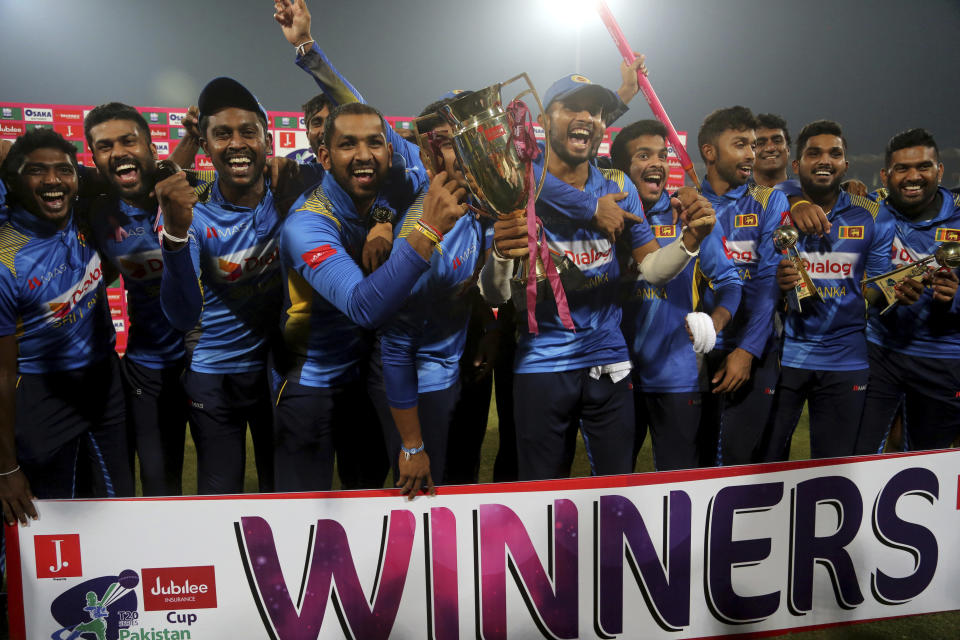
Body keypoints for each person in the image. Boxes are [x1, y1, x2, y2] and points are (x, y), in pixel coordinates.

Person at [479, 74, 715, 480]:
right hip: (542, 361)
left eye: (597, 110)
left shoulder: (619, 184)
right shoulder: (515, 185)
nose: (586, 116)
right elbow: (495, 294)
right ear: (543, 117)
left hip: (609, 358)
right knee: (541, 488)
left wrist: (691, 240)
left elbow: (653, 268)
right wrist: (501, 253)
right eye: (573, 106)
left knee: (616, 488)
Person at [279, 102, 469, 496]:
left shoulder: (391, 187)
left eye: (374, 143)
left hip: (365, 376)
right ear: (325, 157)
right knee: (302, 508)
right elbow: (365, 307)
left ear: (389, 151)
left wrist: (384, 218)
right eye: (348, 145)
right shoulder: (307, 223)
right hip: (312, 382)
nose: (364, 155)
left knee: (367, 498)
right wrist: (428, 229)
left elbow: (424, 180)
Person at [157, 77, 323, 494]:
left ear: (267, 142)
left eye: (248, 132)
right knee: (220, 491)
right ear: (206, 145)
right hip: (215, 376)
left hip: (276, 371)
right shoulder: (191, 210)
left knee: (282, 490)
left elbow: (364, 163)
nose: (236, 143)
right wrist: (175, 238)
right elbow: (181, 315)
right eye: (222, 134)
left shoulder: (291, 190)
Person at [0, 130, 134, 525]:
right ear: (12, 181)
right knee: (46, 524)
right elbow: (3, 375)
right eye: (36, 171)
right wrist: (6, 469)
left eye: (64, 171)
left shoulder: (85, 216)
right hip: (41, 395)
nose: (53, 180)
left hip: (105, 381)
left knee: (116, 508)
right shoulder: (6, 260)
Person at [83, 102, 200, 496]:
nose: (117, 152)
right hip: (149, 368)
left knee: (220, 483)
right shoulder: (98, 213)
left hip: (210, 363)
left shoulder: (194, 194)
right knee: (158, 485)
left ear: (151, 146)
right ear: (95, 158)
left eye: (128, 141)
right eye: (104, 146)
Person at [612, 119, 742, 470]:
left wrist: (714, 323)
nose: (658, 162)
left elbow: (730, 281)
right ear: (622, 170)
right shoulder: (605, 218)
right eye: (643, 155)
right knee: (611, 483)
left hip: (676, 374)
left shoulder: (691, 217)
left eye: (662, 155)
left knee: (678, 485)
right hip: (614, 372)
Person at [766, 120, 894, 459]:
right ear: (797, 165)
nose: (825, 160)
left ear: (845, 165)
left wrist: (895, 289)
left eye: (834, 154)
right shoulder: (774, 206)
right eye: (814, 153)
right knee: (766, 463)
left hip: (846, 357)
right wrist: (793, 200)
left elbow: (875, 290)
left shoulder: (872, 216)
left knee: (834, 465)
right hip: (783, 356)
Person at [846, 129, 960, 453]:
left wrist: (955, 297)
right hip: (879, 351)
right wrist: (845, 190)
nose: (913, 177)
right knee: (857, 455)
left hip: (942, 357)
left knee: (926, 463)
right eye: (902, 169)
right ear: (886, 175)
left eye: (923, 167)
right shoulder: (869, 209)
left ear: (939, 170)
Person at [694, 106, 788, 466]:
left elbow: (769, 283)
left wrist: (747, 351)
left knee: (740, 462)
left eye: (753, 145)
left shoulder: (769, 200)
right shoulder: (685, 202)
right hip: (696, 352)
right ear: (710, 152)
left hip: (754, 350)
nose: (752, 153)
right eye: (741, 144)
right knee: (694, 463)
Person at [752, 113, 791, 188]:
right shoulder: (734, 197)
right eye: (760, 143)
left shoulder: (806, 195)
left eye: (777, 141)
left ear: (788, 149)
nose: (770, 148)